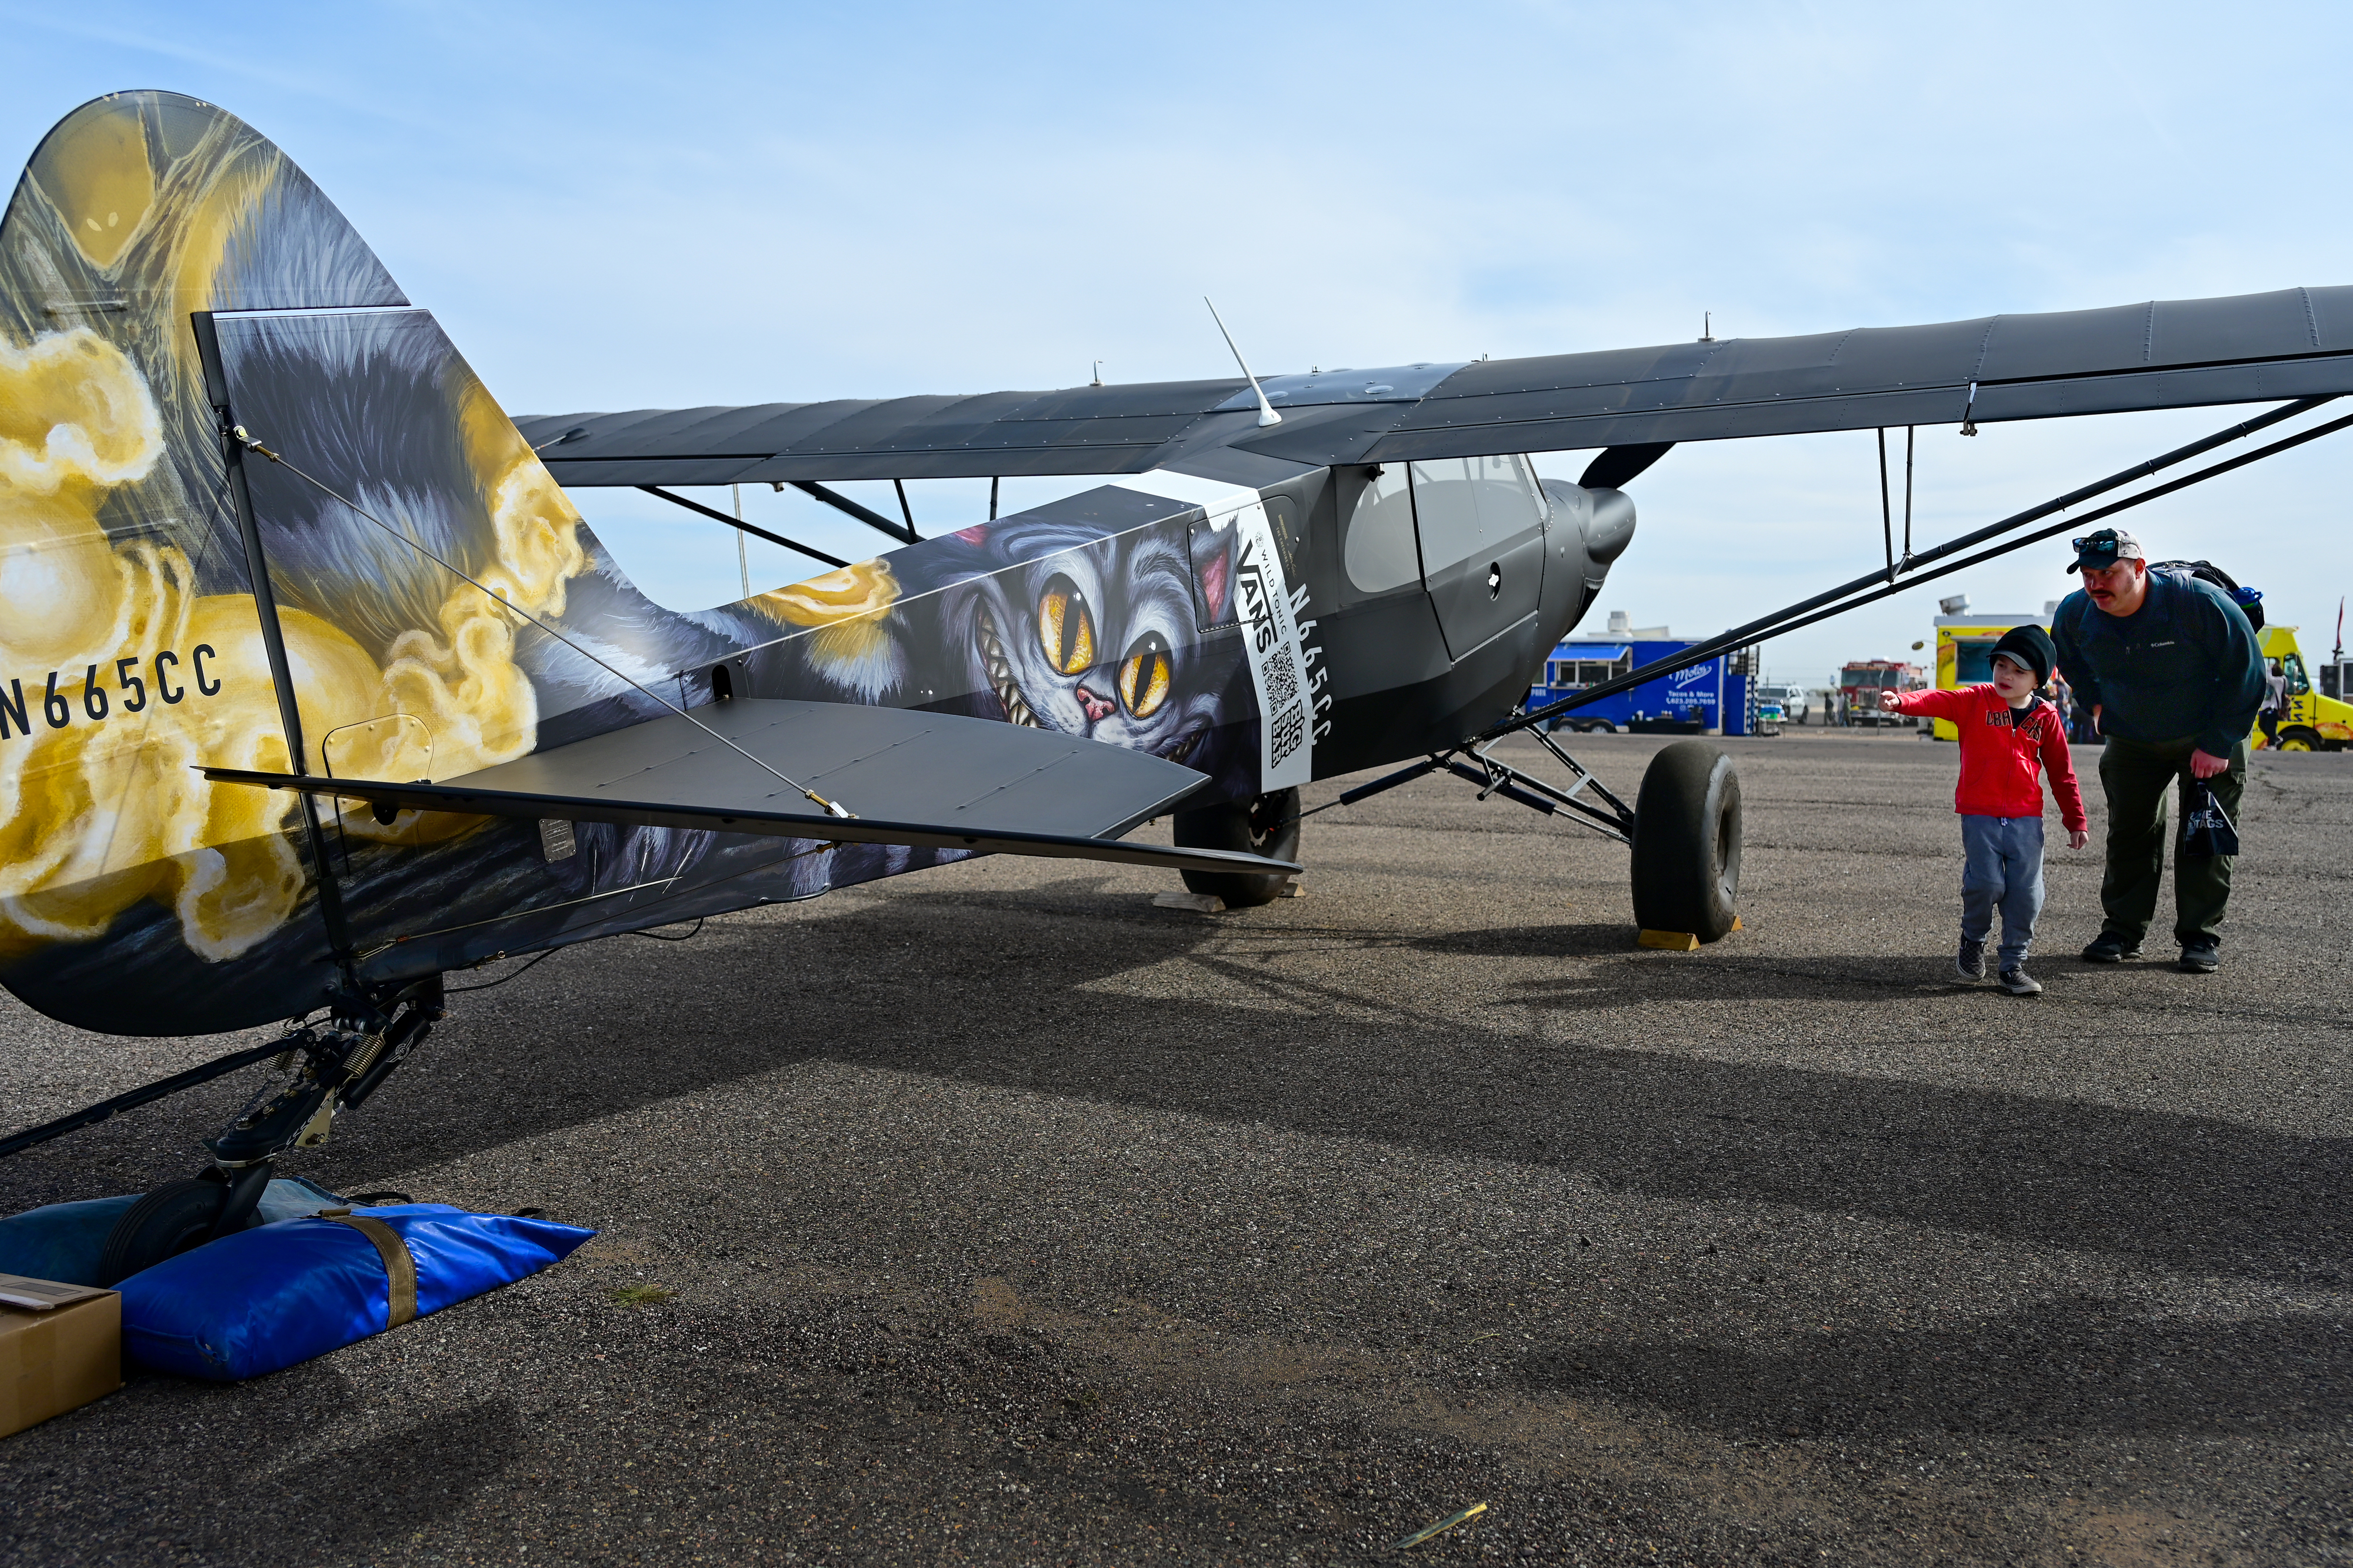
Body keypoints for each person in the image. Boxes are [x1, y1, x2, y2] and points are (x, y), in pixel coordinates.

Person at [2051, 526, 2265, 973]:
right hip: (2133, 737)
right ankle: (2123, 930)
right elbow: (2066, 658)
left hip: (2206, 734)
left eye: (2108, 573)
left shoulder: (2198, 603)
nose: (2096, 584)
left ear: (2139, 569)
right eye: (2088, 575)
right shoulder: (2077, 612)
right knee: (2130, 832)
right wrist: (2093, 701)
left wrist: (2219, 742)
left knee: (2204, 836)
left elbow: (2247, 673)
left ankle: (2200, 937)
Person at [1879, 625, 2089, 995]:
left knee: (2027, 893)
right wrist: (1902, 702)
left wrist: (2075, 820)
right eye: (2001, 666)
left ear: (2039, 679)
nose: (2006, 676)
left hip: (2026, 818)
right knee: (1986, 884)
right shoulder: (1976, 700)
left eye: (2019, 671)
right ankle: (1973, 941)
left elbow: (2062, 773)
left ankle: (2013, 964)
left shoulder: (2047, 718)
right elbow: (1938, 699)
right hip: (1980, 814)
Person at [2258, 659, 2285, 748]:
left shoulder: (2280, 681)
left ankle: (2272, 744)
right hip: (2267, 706)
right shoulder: (2276, 681)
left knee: (2271, 726)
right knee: (2262, 724)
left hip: (2274, 707)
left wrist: (2269, 668)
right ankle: (2275, 738)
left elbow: (2269, 678)